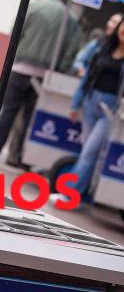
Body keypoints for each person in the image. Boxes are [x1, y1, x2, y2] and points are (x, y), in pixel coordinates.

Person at [0, 0, 82, 168]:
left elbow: (16, 32)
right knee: (31, 119)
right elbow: (72, 50)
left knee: (8, 112)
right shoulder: (69, 18)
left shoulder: (33, 6)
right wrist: (59, 69)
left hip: (21, 69)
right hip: (45, 77)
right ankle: (20, 159)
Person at [64, 16, 124, 199]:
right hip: (91, 102)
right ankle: (85, 193)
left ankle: (69, 193)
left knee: (90, 150)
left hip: (110, 109)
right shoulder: (103, 49)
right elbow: (86, 78)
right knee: (87, 151)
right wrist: (75, 104)